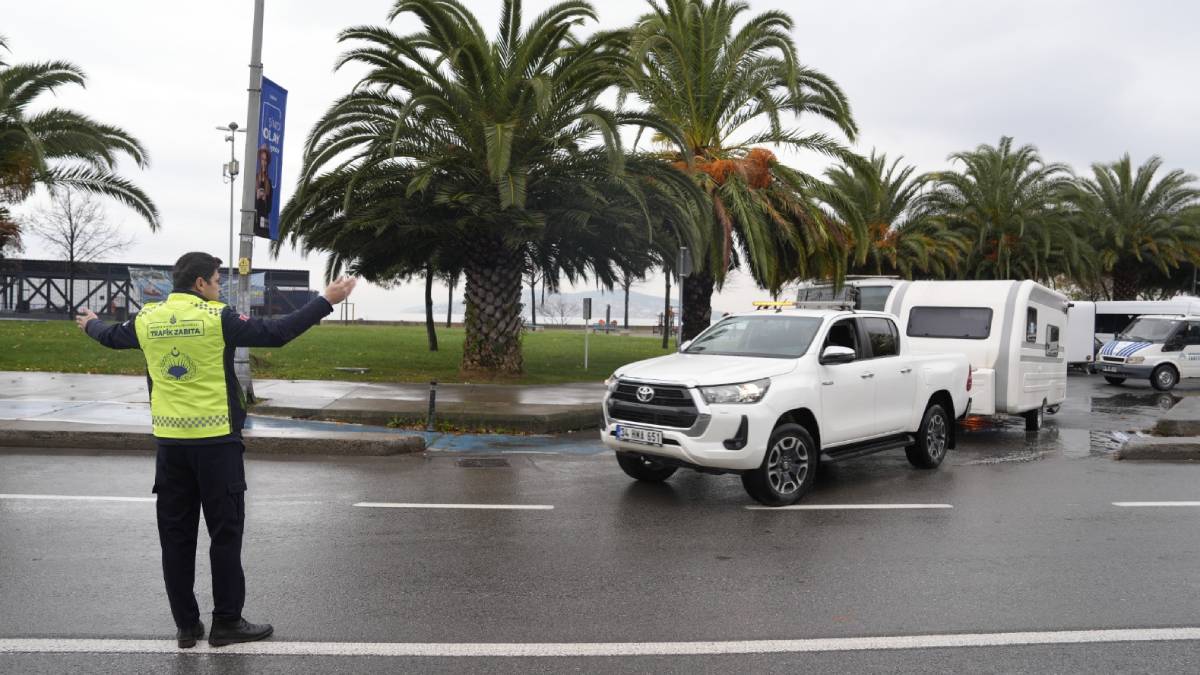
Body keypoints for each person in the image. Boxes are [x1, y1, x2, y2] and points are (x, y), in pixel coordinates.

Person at [75, 252, 356, 648]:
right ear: (200, 284)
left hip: (170, 447)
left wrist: (90, 324)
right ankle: (226, 622)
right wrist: (326, 300)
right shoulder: (215, 318)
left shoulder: (147, 319)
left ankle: (186, 626)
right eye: (217, 279)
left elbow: (109, 336)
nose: (219, 286)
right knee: (224, 535)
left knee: (176, 537)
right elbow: (276, 333)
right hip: (217, 446)